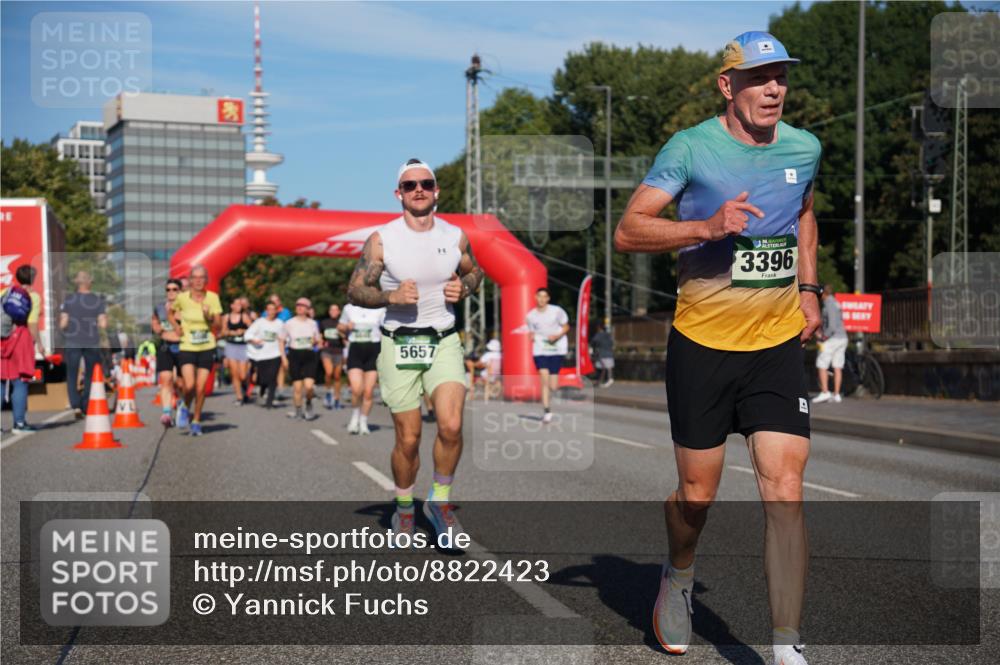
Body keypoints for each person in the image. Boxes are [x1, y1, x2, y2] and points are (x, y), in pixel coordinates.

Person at [614, 32, 821, 665]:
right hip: (703, 342)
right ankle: (678, 576)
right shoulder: (690, 147)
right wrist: (704, 227)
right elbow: (628, 230)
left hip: (778, 340)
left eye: (781, 76)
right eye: (760, 78)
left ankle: (785, 646)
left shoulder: (805, 147)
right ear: (727, 86)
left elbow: (804, 213)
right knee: (696, 496)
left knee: (785, 487)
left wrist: (809, 287)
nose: (774, 88)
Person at [347, 157, 484, 543]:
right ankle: (405, 508)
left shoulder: (454, 236)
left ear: (436, 190)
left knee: (452, 425)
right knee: (408, 439)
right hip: (399, 343)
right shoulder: (382, 240)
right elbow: (355, 289)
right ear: (399, 194)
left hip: (442, 341)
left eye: (425, 183)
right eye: (410, 185)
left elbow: (476, 271)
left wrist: (466, 288)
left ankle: (439, 503)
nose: (419, 189)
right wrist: (390, 295)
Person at [168, 265, 222, 436]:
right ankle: (184, 405)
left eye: (202, 277)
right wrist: (176, 326)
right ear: (190, 281)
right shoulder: (182, 298)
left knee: (201, 388)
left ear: (206, 280)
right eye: (195, 277)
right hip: (187, 347)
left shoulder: (213, 298)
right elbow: (170, 312)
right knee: (189, 385)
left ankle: (196, 420)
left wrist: (208, 316)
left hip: (207, 347)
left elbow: (218, 325)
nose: (198, 280)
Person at [1, 265, 45, 433]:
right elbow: (32, 324)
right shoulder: (33, 296)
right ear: (33, 279)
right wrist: (39, 344)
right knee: (20, 382)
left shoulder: (5, 292)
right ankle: (19, 423)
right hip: (20, 341)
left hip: (2, 340)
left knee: (1, 382)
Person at [59, 270, 107, 417]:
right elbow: (103, 324)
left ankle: (75, 405)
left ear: (77, 283)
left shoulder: (69, 300)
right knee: (90, 375)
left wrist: (66, 329)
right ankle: (86, 404)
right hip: (92, 341)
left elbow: (63, 323)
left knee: (72, 374)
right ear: (89, 283)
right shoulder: (98, 300)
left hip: (73, 341)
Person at [338, 302, 385, 434]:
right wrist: (346, 327)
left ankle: (364, 422)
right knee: (356, 389)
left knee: (368, 391)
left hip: (373, 350)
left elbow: (388, 327)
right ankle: (355, 417)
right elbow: (340, 327)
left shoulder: (380, 308)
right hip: (355, 351)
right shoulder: (348, 308)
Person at [525, 287, 570, 423]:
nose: (542, 299)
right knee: (544, 380)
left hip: (556, 349)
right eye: (539, 296)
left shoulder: (556, 311)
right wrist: (531, 337)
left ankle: (552, 395)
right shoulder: (531, 316)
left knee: (553, 386)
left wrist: (557, 336)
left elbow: (566, 326)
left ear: (548, 298)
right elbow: (531, 332)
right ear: (535, 297)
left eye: (545, 296)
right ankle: (547, 411)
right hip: (540, 350)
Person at [280, 297, 322, 420]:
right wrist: (283, 358)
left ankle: (308, 404)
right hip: (294, 355)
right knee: (297, 387)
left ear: (308, 309)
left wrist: (317, 342)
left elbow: (318, 340)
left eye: (303, 306)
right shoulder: (289, 323)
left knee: (309, 387)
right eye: (298, 305)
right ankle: (298, 410)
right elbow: (281, 340)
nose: (299, 307)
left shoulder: (313, 323)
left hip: (309, 355)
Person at [151, 278, 183, 426]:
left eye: (174, 289)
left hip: (183, 347)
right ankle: (166, 413)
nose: (171, 292)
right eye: (168, 289)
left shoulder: (186, 307)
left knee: (181, 383)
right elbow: (155, 321)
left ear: (180, 291)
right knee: (166, 379)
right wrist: (157, 328)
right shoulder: (159, 307)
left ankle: (182, 405)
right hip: (165, 347)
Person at [813, 284, 848, 404]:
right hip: (842, 337)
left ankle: (825, 392)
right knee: (837, 366)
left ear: (823, 293)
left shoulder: (829, 304)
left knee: (822, 364)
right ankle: (837, 394)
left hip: (833, 339)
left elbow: (832, 326)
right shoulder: (836, 302)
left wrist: (823, 337)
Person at [246, 301, 283, 408]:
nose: (271, 312)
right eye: (269, 309)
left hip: (275, 354)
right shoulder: (259, 322)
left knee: (273, 377)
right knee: (262, 379)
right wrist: (255, 340)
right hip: (261, 354)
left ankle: (270, 401)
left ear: (276, 311)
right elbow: (247, 335)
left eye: (273, 309)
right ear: (266, 311)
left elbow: (285, 337)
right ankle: (262, 388)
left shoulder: (280, 323)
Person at [221, 297, 252, 405]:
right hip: (231, 346)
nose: (239, 306)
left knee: (243, 375)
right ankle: (239, 397)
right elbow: (223, 332)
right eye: (237, 304)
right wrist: (232, 333)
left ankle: (245, 387)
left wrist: (243, 330)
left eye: (240, 305)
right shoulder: (226, 317)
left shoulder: (244, 317)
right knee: (234, 373)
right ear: (232, 306)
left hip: (243, 347)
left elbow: (253, 329)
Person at [319, 303, 346, 409]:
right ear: (329, 312)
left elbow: (346, 337)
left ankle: (337, 398)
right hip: (327, 350)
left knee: (337, 376)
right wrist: (321, 341)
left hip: (339, 351)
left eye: (336, 310)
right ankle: (328, 392)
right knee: (329, 372)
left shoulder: (342, 323)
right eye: (332, 310)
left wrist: (342, 334)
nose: (334, 312)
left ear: (339, 312)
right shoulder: (324, 322)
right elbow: (320, 335)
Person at [591, 323, 615, 387]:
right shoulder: (608, 335)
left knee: (602, 368)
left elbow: (593, 342)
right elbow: (612, 342)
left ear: (599, 328)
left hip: (602, 353)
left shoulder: (598, 335)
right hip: (609, 353)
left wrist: (595, 348)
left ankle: (606, 380)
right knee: (609, 367)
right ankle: (608, 379)